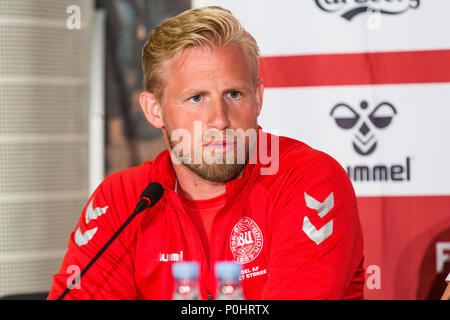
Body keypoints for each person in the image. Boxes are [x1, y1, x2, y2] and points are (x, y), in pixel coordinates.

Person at [47, 6, 364, 300]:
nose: (220, 119)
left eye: (234, 94)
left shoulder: (307, 180)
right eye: (197, 98)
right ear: (154, 110)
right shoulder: (122, 199)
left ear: (258, 98)